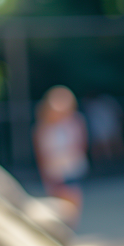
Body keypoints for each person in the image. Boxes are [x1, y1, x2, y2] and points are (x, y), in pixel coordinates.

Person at [33, 86, 89, 227]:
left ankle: (70, 225)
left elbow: (81, 144)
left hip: (71, 166)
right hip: (53, 169)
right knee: (58, 200)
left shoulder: (74, 122)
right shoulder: (42, 127)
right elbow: (41, 153)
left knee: (71, 196)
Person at [83, 93, 124, 169]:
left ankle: (121, 164)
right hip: (98, 129)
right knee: (99, 148)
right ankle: (103, 167)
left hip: (111, 126)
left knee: (115, 145)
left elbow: (118, 113)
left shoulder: (108, 101)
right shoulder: (90, 104)